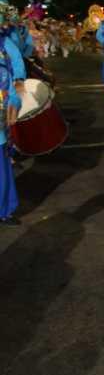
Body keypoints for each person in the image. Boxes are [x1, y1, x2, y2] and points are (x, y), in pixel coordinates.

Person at [0, 27, 21, 226]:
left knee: (3, 174)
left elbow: (12, 93)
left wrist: (13, 105)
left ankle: (3, 211)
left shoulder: (3, 69)